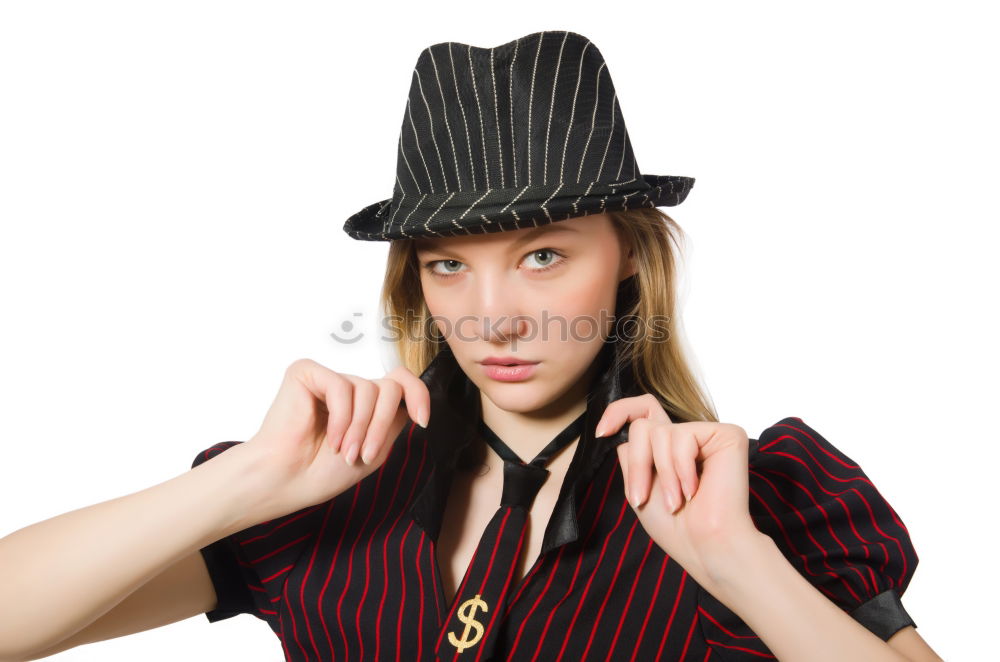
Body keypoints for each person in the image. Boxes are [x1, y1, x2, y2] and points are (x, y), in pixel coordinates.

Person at [0, 30, 943, 662]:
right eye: (447, 265)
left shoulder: (759, 496)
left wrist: (739, 563)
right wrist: (240, 481)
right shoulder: (330, 489)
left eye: (541, 256)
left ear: (627, 257)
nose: (491, 318)